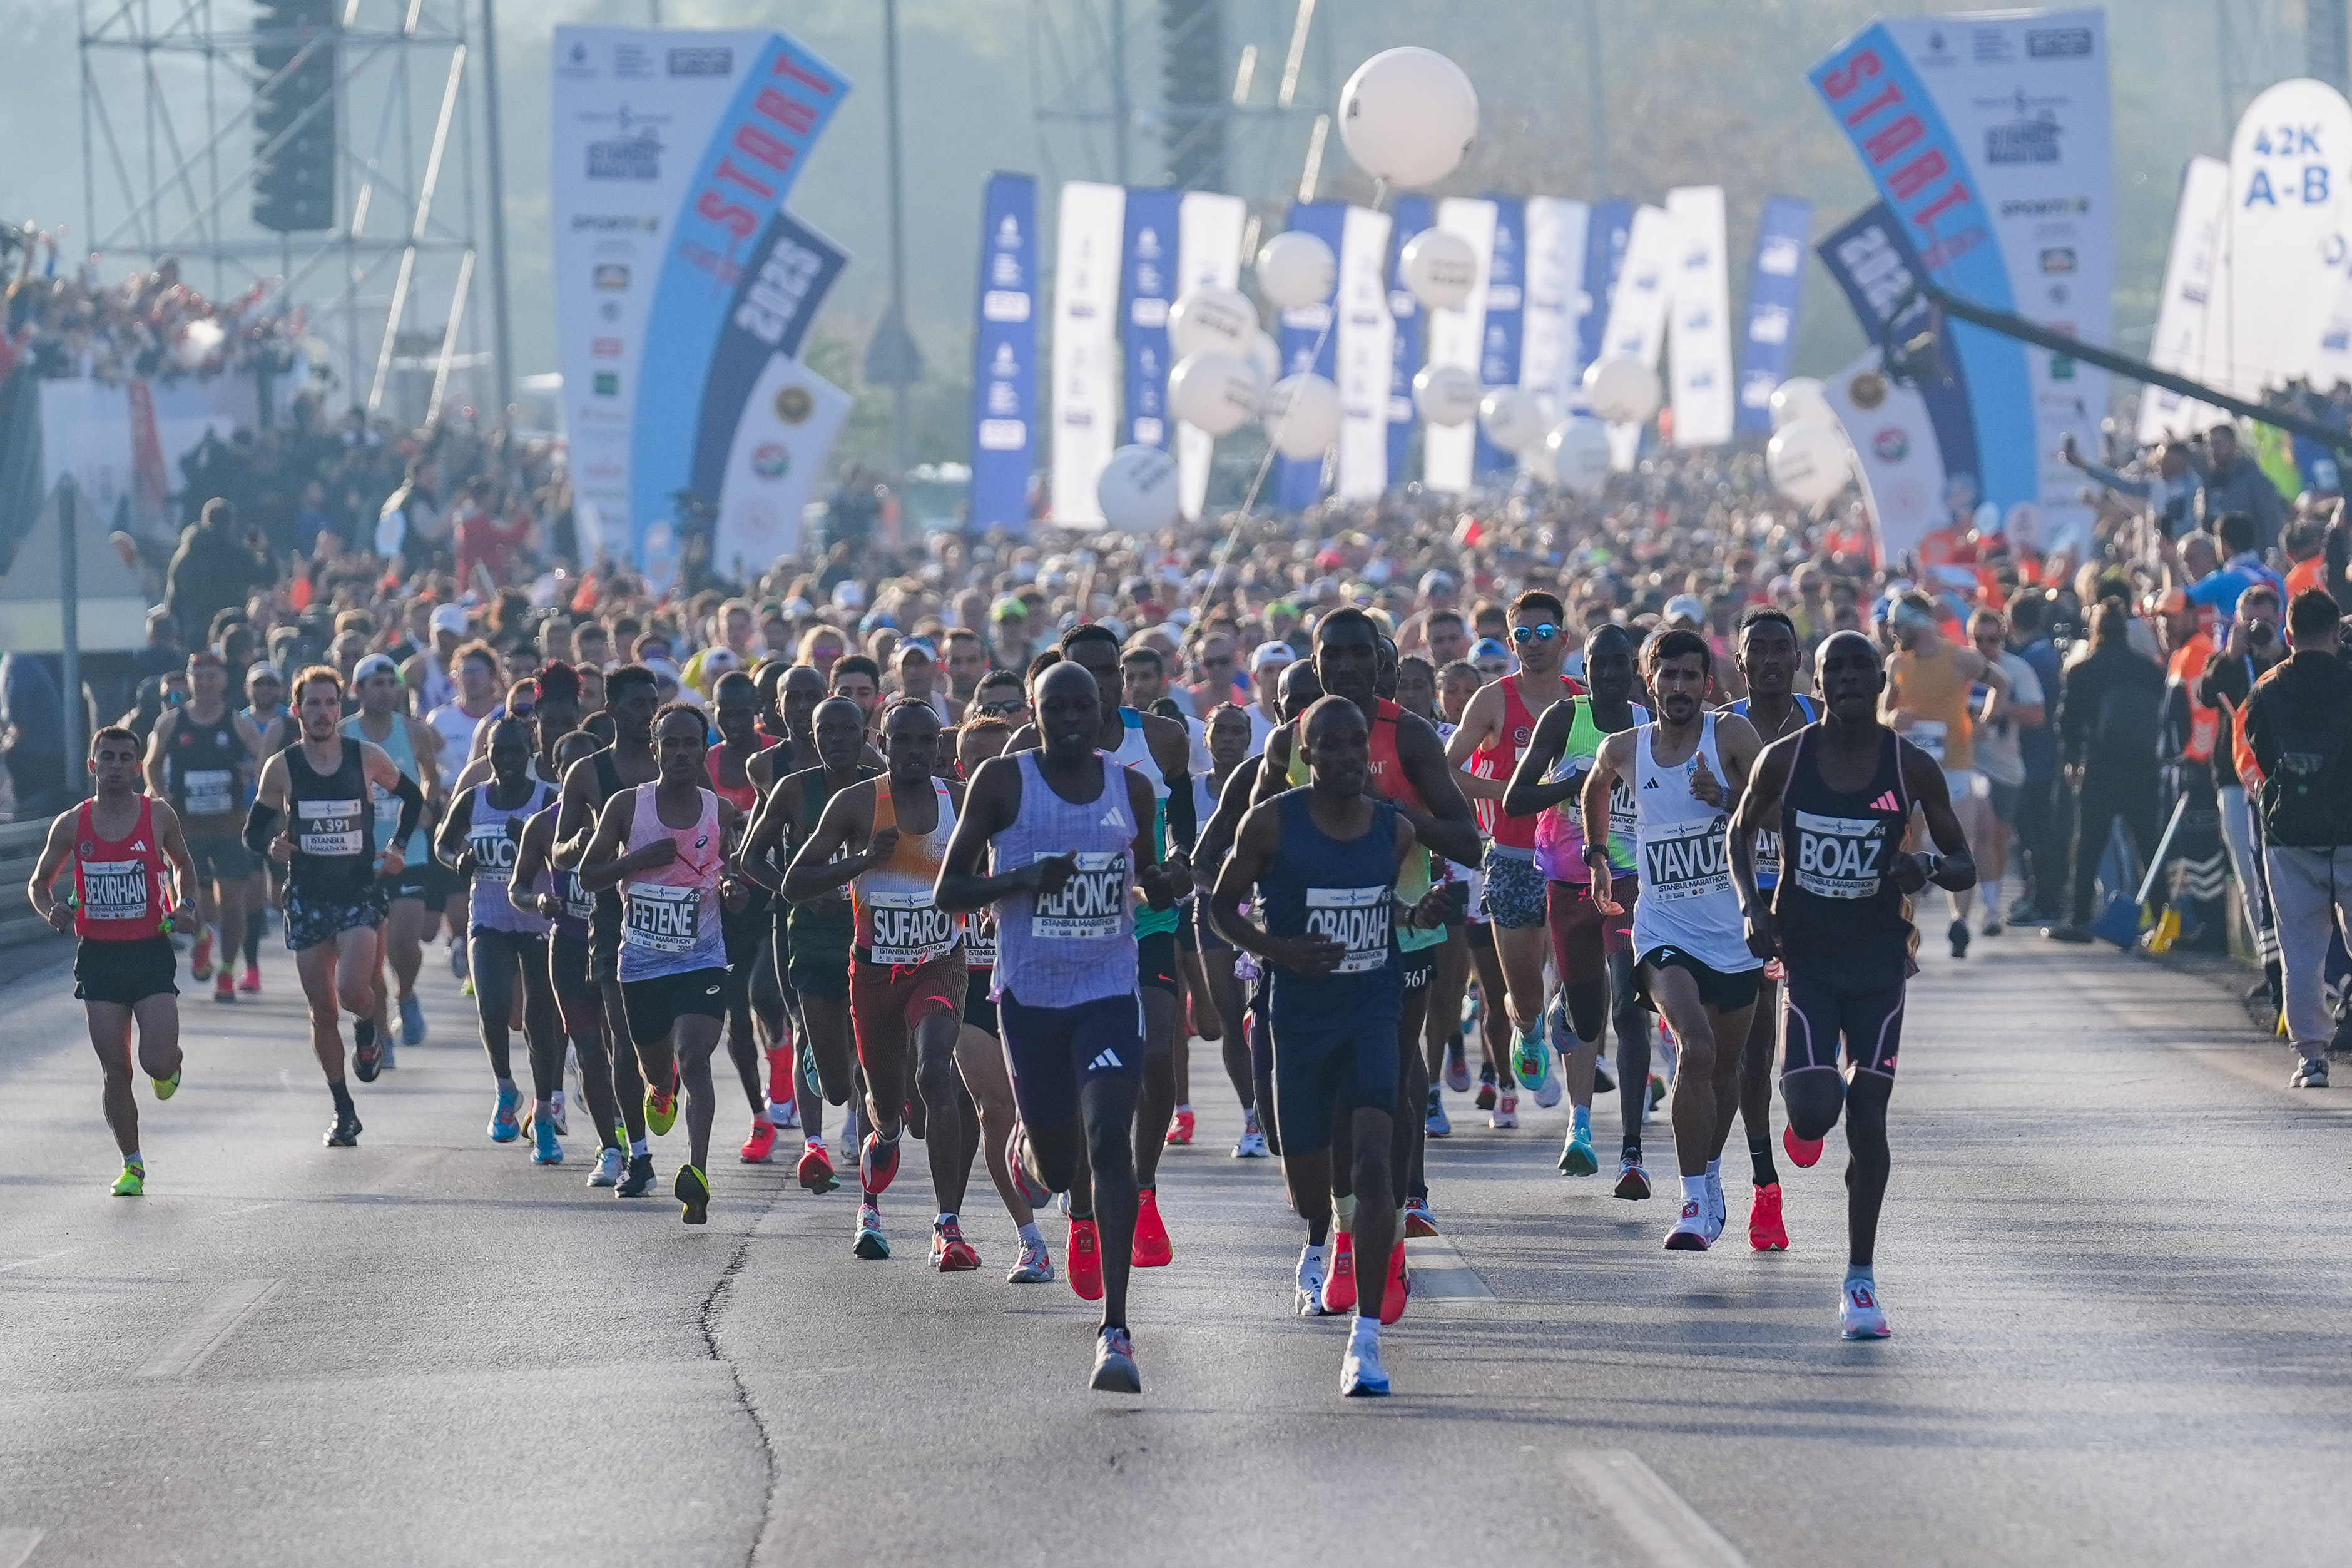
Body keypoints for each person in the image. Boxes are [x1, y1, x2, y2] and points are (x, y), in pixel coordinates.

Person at [934, 659, 1181, 1395]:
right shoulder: (1003, 783)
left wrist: (1164, 884)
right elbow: (950, 889)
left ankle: (1116, 1330)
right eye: (1057, 707)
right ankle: (1027, 1151)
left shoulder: (1131, 788)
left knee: (1109, 1139)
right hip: (1031, 997)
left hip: (1108, 988)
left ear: (1101, 710)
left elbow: (1146, 882)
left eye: (1084, 705)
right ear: (1035, 715)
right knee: (1061, 1165)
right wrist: (1018, 880)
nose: (1072, 717)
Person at [1731, 630, 1978, 1338]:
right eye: (1832, 668)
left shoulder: (1910, 766)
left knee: (1869, 1118)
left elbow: (1963, 862)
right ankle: (1806, 1093)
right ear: (1817, 681)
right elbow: (1739, 832)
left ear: (1880, 681)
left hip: (1877, 965)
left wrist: (1926, 868)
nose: (1845, 678)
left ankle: (1860, 1280)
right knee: (1815, 1114)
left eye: (1859, 667)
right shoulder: (1786, 758)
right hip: (1808, 958)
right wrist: (1752, 908)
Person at [1211, 696, 1431, 1397]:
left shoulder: (1394, 830)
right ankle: (1332, 1229)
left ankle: (1365, 1340)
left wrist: (1417, 914)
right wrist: (1278, 950)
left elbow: (1378, 906)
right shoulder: (1271, 822)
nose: (1345, 757)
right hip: (1300, 1023)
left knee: (1374, 1166)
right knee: (1309, 1189)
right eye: (1328, 745)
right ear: (1306, 755)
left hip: (1370, 1013)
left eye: (1356, 743)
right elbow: (1218, 909)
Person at [1009, 625, 1196, 1269]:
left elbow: (1182, 819)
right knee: (1078, 1085)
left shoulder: (1162, 738)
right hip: (1061, 935)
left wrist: (1178, 863)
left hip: (1144, 920)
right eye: (1082, 671)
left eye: (1108, 670)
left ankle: (1142, 1190)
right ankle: (1083, 1208)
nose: (1099, 683)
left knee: (1159, 1050)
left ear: (1121, 675)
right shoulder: (1024, 748)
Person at [1580, 629, 1766, 1251]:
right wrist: (1598, 857)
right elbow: (1594, 785)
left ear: (1706, 684)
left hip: (1733, 932)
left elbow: (1778, 806)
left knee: (1726, 1071)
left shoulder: (1730, 736)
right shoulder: (1625, 747)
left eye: (1691, 676)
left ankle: (1709, 1177)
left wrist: (1727, 798)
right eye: (1669, 675)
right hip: (1663, 931)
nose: (1680, 687)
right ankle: (1690, 1202)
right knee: (1697, 1046)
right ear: (1649, 680)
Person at [786, 700, 976, 1266]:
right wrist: (862, 862)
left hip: (939, 963)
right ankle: (871, 1196)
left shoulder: (960, 800)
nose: (915, 752)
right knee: (888, 1110)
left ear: (938, 747)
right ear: (883, 744)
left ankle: (947, 1226)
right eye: (903, 741)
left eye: (925, 741)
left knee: (935, 1072)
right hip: (874, 973)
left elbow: (997, 859)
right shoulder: (857, 803)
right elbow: (796, 882)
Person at [578, 704, 751, 1224]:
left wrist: (733, 889)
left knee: (694, 1057)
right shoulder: (627, 806)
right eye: (669, 744)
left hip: (702, 959)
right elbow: (588, 874)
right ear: (654, 750)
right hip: (642, 965)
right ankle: (660, 1089)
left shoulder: (720, 812)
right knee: (658, 1071)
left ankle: (697, 1172)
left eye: (689, 743)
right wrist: (636, 860)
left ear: (703, 750)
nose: (679, 753)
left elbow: (733, 875)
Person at [243, 666, 425, 1146]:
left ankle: (367, 1026)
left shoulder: (365, 757)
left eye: (330, 704)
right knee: (322, 1011)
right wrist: (271, 847)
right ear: (297, 710)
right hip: (307, 898)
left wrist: (398, 848)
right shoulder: (282, 767)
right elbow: (253, 832)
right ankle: (343, 1111)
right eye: (313, 704)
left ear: (340, 709)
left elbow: (413, 797)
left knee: (350, 991)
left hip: (357, 893)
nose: (322, 713)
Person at [1504, 623, 1654, 1192]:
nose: (1610, 674)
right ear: (1584, 671)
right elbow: (1516, 799)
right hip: (1568, 884)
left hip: (1629, 880)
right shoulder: (1565, 719)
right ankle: (1563, 1007)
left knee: (1629, 1008)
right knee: (1588, 1020)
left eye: (1619, 664)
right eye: (1599, 665)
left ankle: (1631, 1152)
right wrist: (1571, 785)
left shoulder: (1648, 723)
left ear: (1634, 671)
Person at [26, 727, 197, 1195]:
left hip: (149, 952)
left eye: (125, 758)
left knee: (155, 1061)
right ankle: (132, 1165)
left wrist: (185, 905)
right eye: (107, 757)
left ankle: (170, 1064)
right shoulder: (72, 823)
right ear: (93, 765)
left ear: (138, 767)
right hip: (99, 957)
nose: (116, 765)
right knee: (116, 1071)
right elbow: (39, 883)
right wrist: (51, 910)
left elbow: (183, 864)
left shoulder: (158, 815)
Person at [1447, 589, 1586, 1088]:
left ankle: (1566, 1012)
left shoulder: (1582, 700)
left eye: (1543, 633)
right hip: (1512, 857)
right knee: (1524, 997)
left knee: (1577, 978)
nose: (1533, 643)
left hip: (1574, 859)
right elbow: (1445, 769)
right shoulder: (1492, 700)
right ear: (1510, 643)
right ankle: (1527, 1031)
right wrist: (1508, 792)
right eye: (1522, 635)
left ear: (1563, 639)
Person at [949, 716, 1056, 1283]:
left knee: (1057, 1116)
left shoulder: (1045, 817)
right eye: (979, 761)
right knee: (995, 1110)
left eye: (1004, 759)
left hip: (1036, 980)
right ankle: (1030, 1242)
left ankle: (1072, 1194)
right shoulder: (945, 822)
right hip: (967, 983)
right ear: (962, 767)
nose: (993, 770)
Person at [552, 664, 664, 1196]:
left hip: (677, 920)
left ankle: (659, 1086)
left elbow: (713, 824)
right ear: (613, 709)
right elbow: (559, 850)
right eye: (638, 704)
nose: (649, 713)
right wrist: (584, 842)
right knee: (616, 1037)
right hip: (612, 919)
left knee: (654, 1043)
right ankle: (631, 1153)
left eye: (653, 703)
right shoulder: (589, 773)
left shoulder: (676, 761)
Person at [435, 718, 564, 1159]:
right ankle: (505, 1088)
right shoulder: (473, 799)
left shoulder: (547, 800)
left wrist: (529, 841)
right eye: (498, 752)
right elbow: (442, 843)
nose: (507, 760)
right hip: (488, 919)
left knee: (539, 1022)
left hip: (537, 922)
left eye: (516, 751)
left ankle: (543, 1114)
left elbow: (567, 856)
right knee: (492, 1005)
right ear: (487, 754)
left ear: (530, 752)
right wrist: (458, 861)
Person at [2240, 589, 2352, 1089]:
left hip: (2289, 835)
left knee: (2301, 953)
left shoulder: (2264, 690)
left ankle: (2311, 1057)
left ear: (2287, 634)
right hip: (2349, 830)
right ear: (2335, 634)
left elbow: (2261, 756)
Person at [511, 730, 629, 1185]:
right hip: (569, 947)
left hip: (618, 944)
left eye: (590, 764)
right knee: (587, 1048)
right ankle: (610, 1146)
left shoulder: (626, 816)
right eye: (570, 767)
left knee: (622, 1046)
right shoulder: (543, 826)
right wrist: (538, 902)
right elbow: (519, 887)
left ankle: (627, 1127)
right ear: (558, 773)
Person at [1883, 593, 2009, 958]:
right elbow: (1881, 713)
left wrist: (1986, 721)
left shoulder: (1960, 658)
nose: (1893, 634)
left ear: (1917, 623)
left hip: (1954, 767)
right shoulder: (1897, 663)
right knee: (1906, 849)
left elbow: (2001, 683)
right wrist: (1892, 718)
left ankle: (1960, 922)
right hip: (1910, 771)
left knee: (1960, 845)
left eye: (1897, 626)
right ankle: (1905, 929)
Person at [141, 649, 264, 1004]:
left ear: (223, 681)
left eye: (213, 677)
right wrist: (161, 796)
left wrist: (250, 772)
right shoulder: (171, 722)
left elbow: (264, 758)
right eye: (200, 677)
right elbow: (151, 763)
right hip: (186, 827)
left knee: (233, 904)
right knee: (185, 901)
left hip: (229, 825)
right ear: (190, 681)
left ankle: (227, 971)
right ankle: (200, 938)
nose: (206, 684)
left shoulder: (237, 722)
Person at [342, 654, 445, 1050]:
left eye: (391, 683)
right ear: (358, 690)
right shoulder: (344, 734)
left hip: (408, 852)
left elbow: (431, 776)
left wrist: (427, 807)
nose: (386, 691)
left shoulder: (414, 731)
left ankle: (407, 993)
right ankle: (382, 1032)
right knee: (369, 955)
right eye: (377, 684)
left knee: (404, 943)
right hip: (359, 858)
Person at [2197, 581, 2290, 1015]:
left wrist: (2274, 651)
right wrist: (2233, 654)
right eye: (2249, 621)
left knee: (2281, 875)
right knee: (2248, 873)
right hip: (2235, 777)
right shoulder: (2227, 660)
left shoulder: (2286, 656)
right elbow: (2205, 694)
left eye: (2264, 621)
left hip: (2278, 776)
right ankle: (2267, 964)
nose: (2256, 629)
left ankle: (2288, 968)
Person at [705, 671, 786, 1164]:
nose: (733, 721)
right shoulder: (707, 763)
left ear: (756, 708)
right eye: (724, 712)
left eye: (741, 711)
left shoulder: (776, 755)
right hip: (726, 901)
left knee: (766, 994)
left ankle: (781, 1053)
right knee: (735, 1019)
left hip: (774, 894)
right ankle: (760, 1117)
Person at [2049, 602, 2164, 942]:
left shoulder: (2083, 671)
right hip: (2143, 767)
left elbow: (2067, 723)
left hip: (2100, 766)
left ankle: (2080, 917)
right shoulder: (2148, 670)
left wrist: (2073, 758)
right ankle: (2162, 915)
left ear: (2095, 630)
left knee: (2089, 845)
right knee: (2148, 844)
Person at [1965, 608, 2045, 939]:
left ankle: (1992, 903)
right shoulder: (1961, 667)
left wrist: (1996, 707)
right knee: (1982, 830)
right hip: (1967, 764)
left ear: (2003, 638)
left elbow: (2038, 715)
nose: (1985, 646)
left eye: (1993, 640)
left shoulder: (2016, 669)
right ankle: (1983, 905)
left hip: (2005, 767)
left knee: (1998, 837)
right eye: (1978, 640)